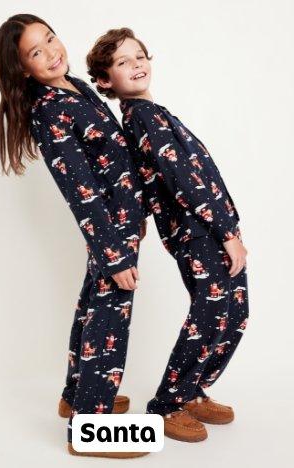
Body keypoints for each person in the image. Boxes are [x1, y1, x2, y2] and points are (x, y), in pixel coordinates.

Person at [0, 15, 150, 458]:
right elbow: (80, 192)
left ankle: (76, 395)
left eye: (49, 38)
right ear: (24, 68)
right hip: (108, 231)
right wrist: (115, 254)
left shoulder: (76, 85)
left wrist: (135, 214)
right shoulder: (49, 110)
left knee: (91, 306)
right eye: (36, 53)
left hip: (121, 222)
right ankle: (90, 425)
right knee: (109, 318)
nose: (51, 52)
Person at [86, 27, 249, 443]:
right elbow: (183, 180)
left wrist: (228, 225)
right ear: (105, 80)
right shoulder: (141, 116)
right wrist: (226, 232)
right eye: (123, 62)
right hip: (198, 230)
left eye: (139, 56)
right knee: (210, 313)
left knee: (234, 313)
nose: (136, 64)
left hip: (211, 226)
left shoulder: (154, 113)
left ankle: (193, 390)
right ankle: (167, 404)